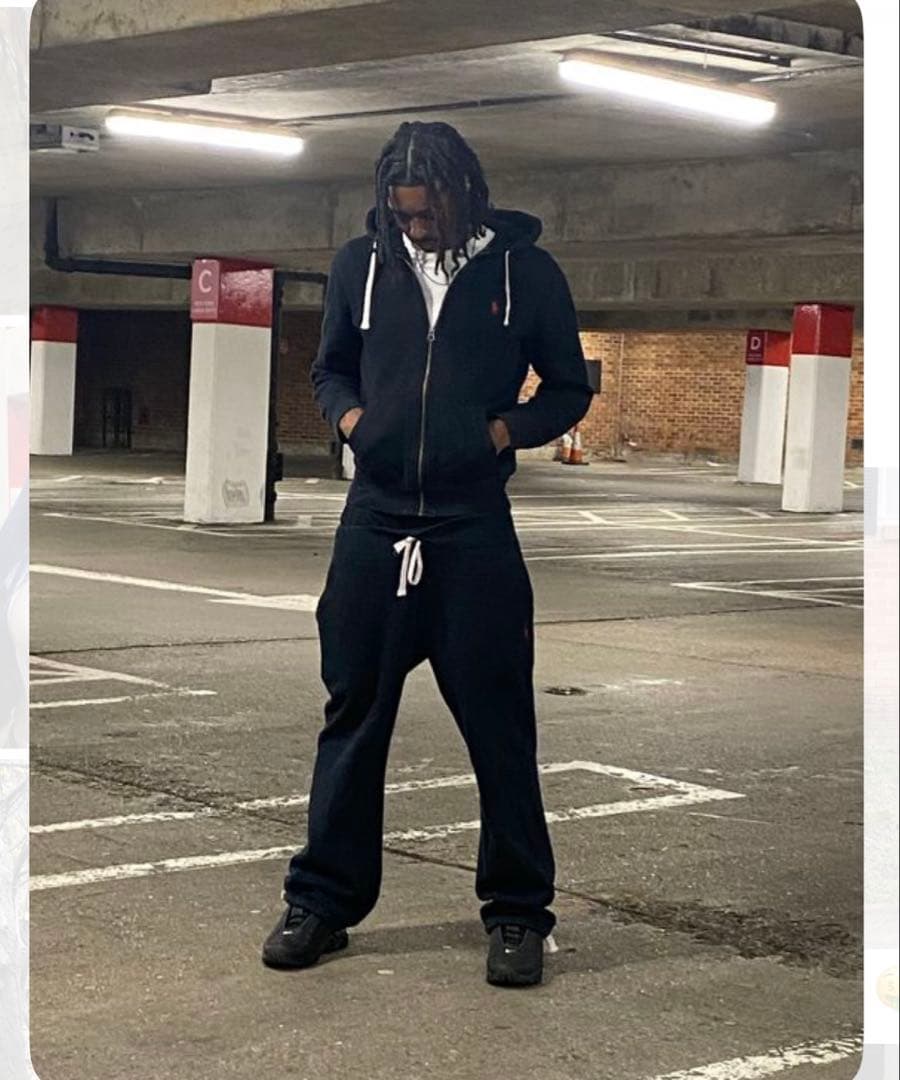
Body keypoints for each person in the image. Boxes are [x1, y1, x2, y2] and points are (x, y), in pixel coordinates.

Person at [263, 120, 591, 986]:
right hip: (374, 524)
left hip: (471, 526)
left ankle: (517, 913)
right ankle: (322, 902)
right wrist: (353, 421)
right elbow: (330, 369)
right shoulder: (358, 266)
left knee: (500, 725)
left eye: (428, 213)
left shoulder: (525, 274)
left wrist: (500, 432)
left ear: (463, 193)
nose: (415, 227)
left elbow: (567, 387)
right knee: (353, 715)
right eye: (401, 214)